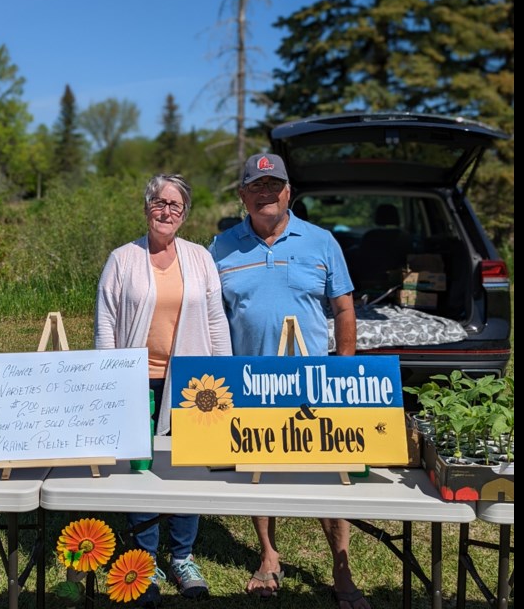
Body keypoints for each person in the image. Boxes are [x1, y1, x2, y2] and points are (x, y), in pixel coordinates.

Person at [209, 154, 369, 609]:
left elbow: (343, 309)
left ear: (288, 192)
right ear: (242, 196)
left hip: (314, 379)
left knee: (329, 475)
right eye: (255, 186)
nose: (266, 193)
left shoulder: (321, 243)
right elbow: (211, 316)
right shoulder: (219, 248)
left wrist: (345, 366)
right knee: (258, 473)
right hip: (251, 381)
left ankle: (342, 570)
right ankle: (268, 554)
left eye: (274, 184)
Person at [95, 173, 232, 607]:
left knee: (186, 466)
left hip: (194, 383)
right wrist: (109, 376)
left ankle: (183, 555)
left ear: (184, 213)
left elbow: (215, 320)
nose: (166, 211)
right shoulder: (122, 259)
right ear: (146, 207)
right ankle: (144, 557)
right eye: (159, 202)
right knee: (141, 466)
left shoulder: (200, 259)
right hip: (137, 376)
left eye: (175, 205)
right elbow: (105, 323)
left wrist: (224, 373)